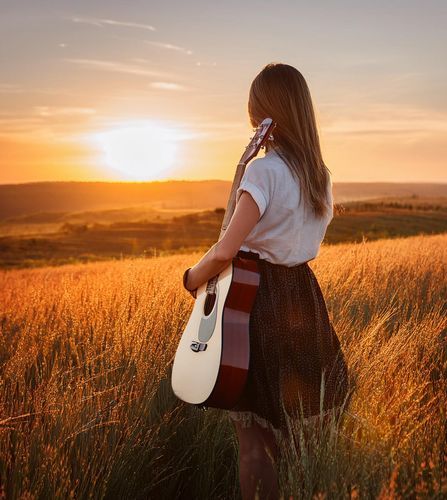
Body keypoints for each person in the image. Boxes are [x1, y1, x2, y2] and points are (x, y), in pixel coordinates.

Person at [182, 63, 349, 500]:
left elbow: (225, 250)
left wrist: (191, 278)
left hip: (257, 304)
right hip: (305, 299)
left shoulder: (262, 172)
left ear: (262, 114)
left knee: (255, 446)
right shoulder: (321, 176)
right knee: (303, 437)